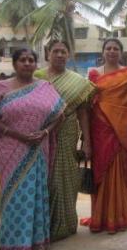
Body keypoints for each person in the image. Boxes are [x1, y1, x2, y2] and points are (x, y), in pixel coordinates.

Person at [0, 48, 65, 250]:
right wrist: (17, 135)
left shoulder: (45, 87)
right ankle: (13, 242)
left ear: (36, 64)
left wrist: (45, 132)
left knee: (36, 194)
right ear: (15, 64)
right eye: (22, 60)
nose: (27, 63)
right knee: (13, 195)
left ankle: (36, 241)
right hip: (12, 148)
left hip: (38, 148)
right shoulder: (1, 87)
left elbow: (60, 115)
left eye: (31, 60)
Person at [34, 39, 96, 241]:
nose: (60, 55)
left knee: (66, 176)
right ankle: (44, 225)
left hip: (67, 130)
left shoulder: (77, 81)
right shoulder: (36, 77)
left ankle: (65, 224)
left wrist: (86, 141)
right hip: (41, 133)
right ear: (48, 54)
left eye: (63, 52)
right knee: (45, 177)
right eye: (56, 51)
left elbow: (83, 112)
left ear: (69, 55)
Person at [80, 38, 127, 233]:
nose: (112, 51)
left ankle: (118, 217)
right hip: (99, 131)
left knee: (118, 172)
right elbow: (87, 106)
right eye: (108, 48)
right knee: (100, 173)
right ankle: (100, 216)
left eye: (115, 48)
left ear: (120, 52)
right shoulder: (93, 74)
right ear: (103, 51)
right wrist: (86, 138)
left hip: (120, 131)